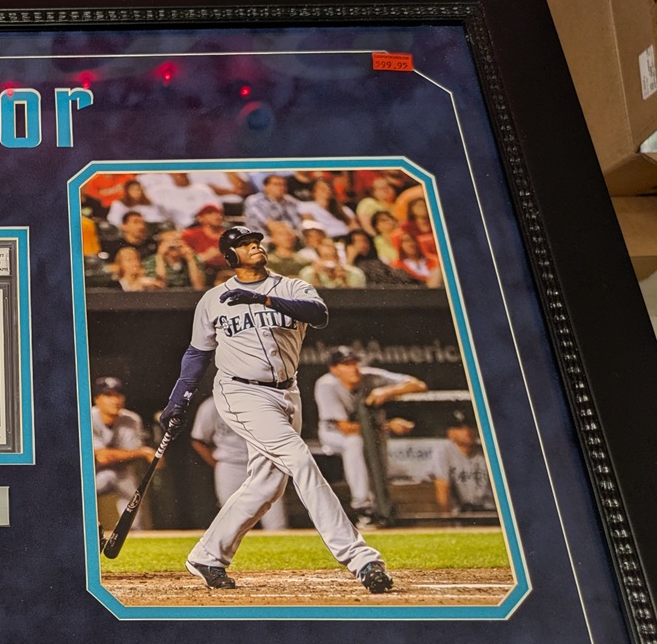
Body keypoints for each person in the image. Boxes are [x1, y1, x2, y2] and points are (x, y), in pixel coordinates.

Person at [159, 227, 393, 594]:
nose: (254, 246)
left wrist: (263, 300)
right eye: (244, 244)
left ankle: (208, 555)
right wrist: (179, 398)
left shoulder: (292, 286)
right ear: (230, 256)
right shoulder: (213, 299)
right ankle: (360, 558)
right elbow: (198, 352)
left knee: (268, 483)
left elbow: (318, 314)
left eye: (256, 241)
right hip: (240, 391)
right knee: (300, 460)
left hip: (287, 392)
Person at [313, 346, 427, 528]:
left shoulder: (370, 376)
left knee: (375, 458)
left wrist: (387, 391)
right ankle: (363, 507)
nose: (353, 368)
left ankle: (382, 509)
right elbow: (346, 428)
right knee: (355, 442)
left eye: (355, 362)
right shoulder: (326, 385)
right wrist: (388, 425)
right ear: (334, 369)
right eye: (346, 364)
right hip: (334, 435)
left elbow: (419, 385)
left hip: (372, 433)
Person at [189, 397, 287, 531]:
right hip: (230, 466)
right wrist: (218, 465)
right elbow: (198, 440)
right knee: (233, 523)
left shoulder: (263, 399)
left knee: (277, 523)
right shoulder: (212, 405)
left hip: (264, 464)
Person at [93, 377, 155, 525]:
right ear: (97, 399)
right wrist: (143, 452)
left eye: (118, 395)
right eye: (108, 395)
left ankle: (133, 532)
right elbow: (103, 457)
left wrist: (131, 453)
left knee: (134, 504)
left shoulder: (132, 419)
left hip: (121, 472)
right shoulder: (87, 417)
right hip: (91, 475)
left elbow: (130, 452)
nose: (115, 400)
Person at [432, 413, 495, 515]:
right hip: (462, 514)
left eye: (470, 426)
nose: (467, 431)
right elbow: (442, 487)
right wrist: (447, 519)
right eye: (460, 428)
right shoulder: (444, 452)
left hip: (491, 512)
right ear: (450, 433)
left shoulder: (489, 452)